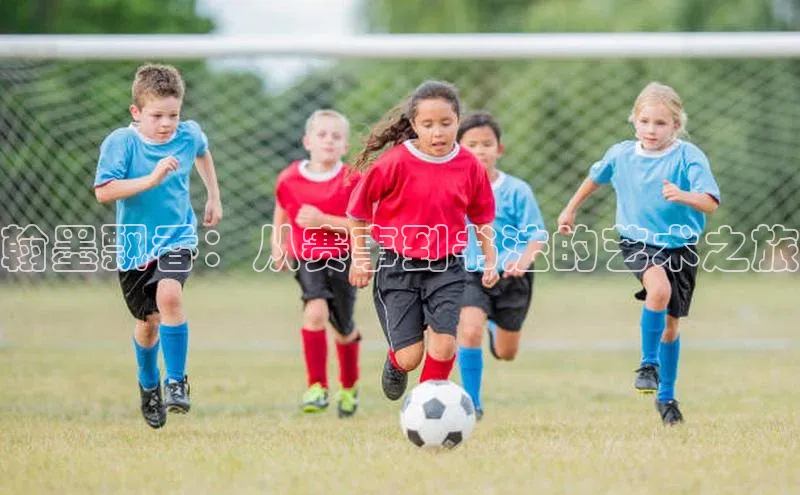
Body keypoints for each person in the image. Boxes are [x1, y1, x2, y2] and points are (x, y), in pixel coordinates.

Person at [557, 82, 720, 425]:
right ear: (634, 120)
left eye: (660, 123)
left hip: (681, 247)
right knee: (658, 291)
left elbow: (709, 201)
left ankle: (666, 398)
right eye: (645, 121)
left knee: (671, 326)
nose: (651, 129)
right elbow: (594, 177)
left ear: (676, 125)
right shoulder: (621, 154)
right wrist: (570, 209)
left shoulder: (688, 156)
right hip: (638, 241)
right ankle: (648, 365)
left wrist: (683, 195)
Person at [347, 80, 500, 402]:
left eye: (446, 123)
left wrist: (490, 259)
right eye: (427, 125)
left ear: (458, 121)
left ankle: (425, 405)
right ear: (414, 125)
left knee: (444, 343)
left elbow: (482, 216)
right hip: (397, 267)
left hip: (447, 266)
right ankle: (394, 361)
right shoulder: (394, 163)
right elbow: (357, 212)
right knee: (410, 357)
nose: (437, 132)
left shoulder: (470, 166)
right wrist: (360, 259)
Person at [94, 64, 222, 429]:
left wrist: (213, 196)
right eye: (157, 116)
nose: (166, 123)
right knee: (147, 323)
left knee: (169, 296)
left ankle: (176, 381)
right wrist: (150, 179)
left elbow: (203, 151)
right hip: (134, 247)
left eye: (173, 114)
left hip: (177, 236)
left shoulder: (187, 134)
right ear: (136, 112)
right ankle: (149, 385)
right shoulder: (121, 143)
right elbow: (104, 191)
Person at [456, 112, 547, 420]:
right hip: (471, 271)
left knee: (506, 353)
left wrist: (522, 260)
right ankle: (472, 404)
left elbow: (536, 234)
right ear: (459, 149)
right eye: (471, 144)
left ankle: (496, 326)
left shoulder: (517, 190)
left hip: (512, 276)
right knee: (469, 332)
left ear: (499, 149)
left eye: (486, 144)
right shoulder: (455, 188)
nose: (480, 151)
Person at [271, 110, 362, 418]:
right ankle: (317, 386)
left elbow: (365, 226)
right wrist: (278, 244)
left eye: (336, 136)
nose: (329, 141)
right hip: (308, 257)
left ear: (345, 146)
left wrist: (324, 221)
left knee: (344, 329)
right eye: (322, 135)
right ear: (307, 141)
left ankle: (349, 387)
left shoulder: (353, 179)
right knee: (315, 312)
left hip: (345, 260)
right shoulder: (289, 178)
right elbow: (283, 210)